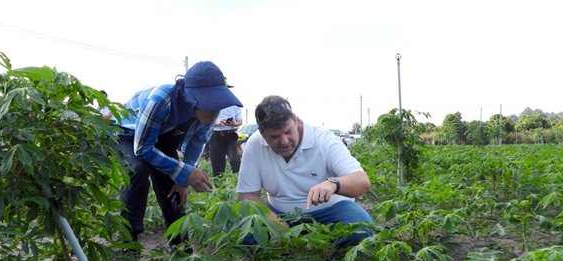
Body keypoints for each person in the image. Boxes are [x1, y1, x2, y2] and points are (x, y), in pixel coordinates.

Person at [117, 61, 243, 247]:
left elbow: (197, 144)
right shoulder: (161, 100)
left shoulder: (208, 115)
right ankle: (129, 244)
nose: (215, 110)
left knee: (173, 187)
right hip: (131, 136)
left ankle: (181, 248)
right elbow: (143, 148)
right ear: (191, 98)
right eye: (210, 103)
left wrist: (183, 177)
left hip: (164, 138)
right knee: (138, 170)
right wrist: (184, 171)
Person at [236, 95, 373, 248]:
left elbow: (362, 182)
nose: (284, 141)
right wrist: (271, 219)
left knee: (361, 230)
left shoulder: (323, 139)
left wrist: (332, 184)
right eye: (275, 136)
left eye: (288, 132)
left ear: (296, 120)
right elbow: (246, 195)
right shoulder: (254, 145)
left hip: (332, 211)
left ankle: (329, 251)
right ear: (261, 133)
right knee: (235, 229)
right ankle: (284, 249)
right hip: (280, 213)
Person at [210, 105, 243, 176]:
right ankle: (220, 185)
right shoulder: (212, 103)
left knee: (235, 160)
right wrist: (216, 123)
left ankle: (238, 180)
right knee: (217, 165)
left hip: (230, 135)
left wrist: (234, 124)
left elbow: (240, 121)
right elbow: (205, 121)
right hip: (216, 136)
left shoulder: (234, 106)